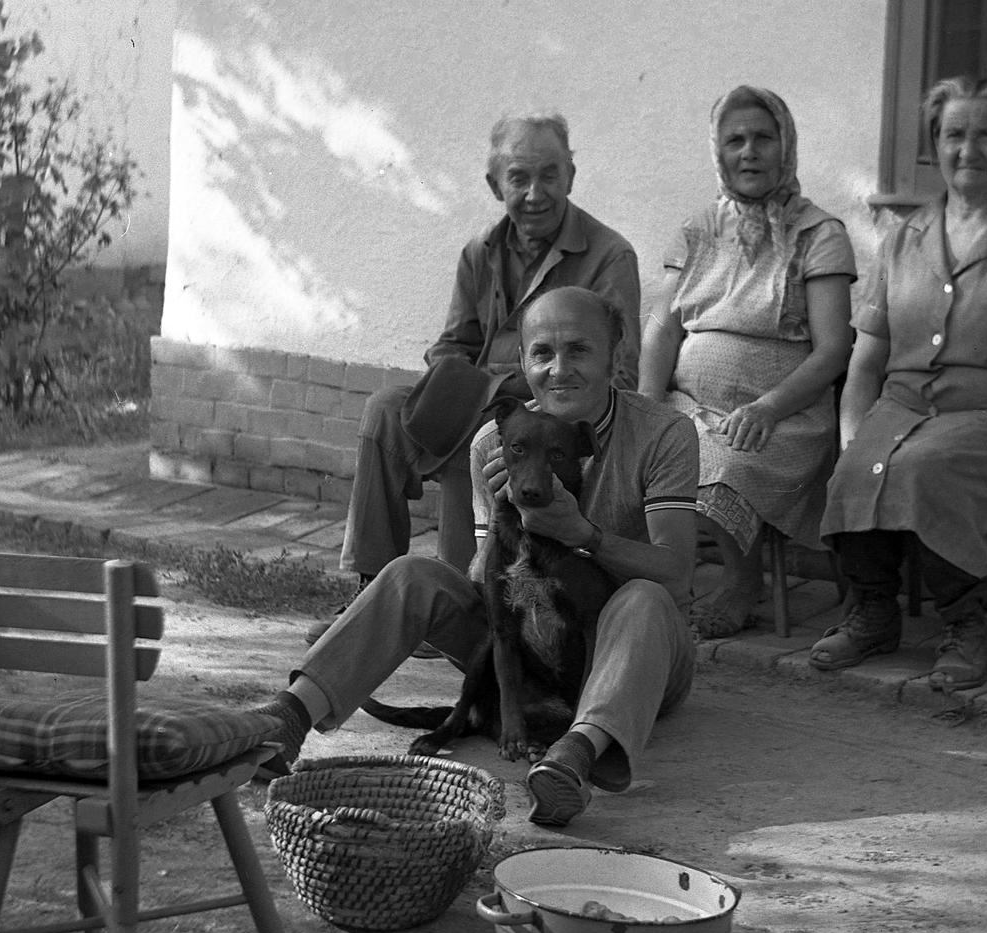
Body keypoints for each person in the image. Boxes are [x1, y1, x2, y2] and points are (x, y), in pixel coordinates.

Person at [257, 286, 698, 827]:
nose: (559, 370)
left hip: (635, 656)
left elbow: (677, 574)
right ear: (522, 361)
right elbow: (482, 583)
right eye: (542, 353)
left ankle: (577, 756)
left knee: (644, 596)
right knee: (411, 574)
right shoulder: (497, 439)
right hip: (531, 656)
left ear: (616, 354)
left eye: (579, 351)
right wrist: (498, 518)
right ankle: (288, 715)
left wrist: (585, 534)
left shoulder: (664, 434)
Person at [809, 76, 987, 691]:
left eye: (986, 134)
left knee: (923, 467)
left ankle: (967, 625)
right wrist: (854, 443)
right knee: (858, 465)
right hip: (905, 410)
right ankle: (872, 613)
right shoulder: (904, 239)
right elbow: (866, 362)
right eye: (953, 134)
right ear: (936, 146)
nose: (968, 149)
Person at [307, 114, 642, 643]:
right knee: (383, 411)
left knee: (486, 439)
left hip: (553, 415)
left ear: (572, 176)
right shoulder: (480, 252)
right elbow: (451, 344)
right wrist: (468, 385)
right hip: (483, 402)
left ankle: (462, 610)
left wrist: (503, 391)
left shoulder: (608, 256)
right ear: (495, 186)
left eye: (550, 176)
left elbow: (622, 372)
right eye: (518, 178)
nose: (535, 193)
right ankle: (372, 595)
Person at [638, 86, 855, 637]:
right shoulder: (697, 229)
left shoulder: (820, 234)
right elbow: (663, 326)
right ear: (718, 152)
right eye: (735, 140)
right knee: (647, 453)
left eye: (763, 137)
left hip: (782, 416)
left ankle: (742, 582)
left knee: (721, 470)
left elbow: (833, 349)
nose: (749, 151)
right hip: (689, 404)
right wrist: (645, 404)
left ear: (786, 146)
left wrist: (767, 407)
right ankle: (656, 587)